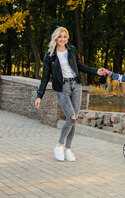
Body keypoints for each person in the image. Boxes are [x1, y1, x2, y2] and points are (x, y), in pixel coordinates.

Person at [35, 27, 106, 162]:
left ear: (67, 38)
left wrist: (96, 71)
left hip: (76, 86)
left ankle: (67, 149)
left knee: (74, 119)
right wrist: (39, 96)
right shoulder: (50, 55)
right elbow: (45, 78)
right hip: (62, 88)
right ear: (55, 37)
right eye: (60, 37)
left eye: (65, 37)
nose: (62, 39)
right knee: (72, 117)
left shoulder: (71, 50)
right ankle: (59, 145)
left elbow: (80, 66)